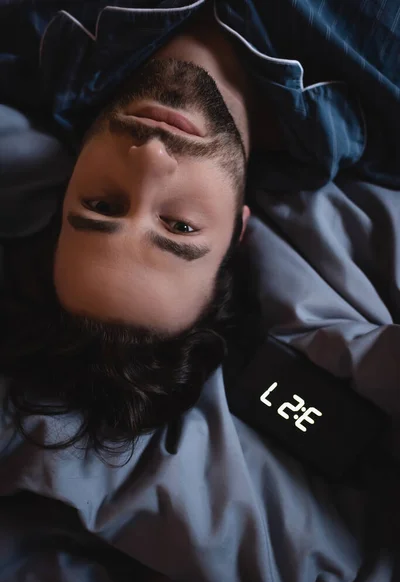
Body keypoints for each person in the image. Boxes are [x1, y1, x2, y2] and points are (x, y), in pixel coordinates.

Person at [0, 0, 399, 455]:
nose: (150, 156)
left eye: (103, 205)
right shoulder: (385, 110)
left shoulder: (28, 38)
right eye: (180, 227)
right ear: (238, 230)